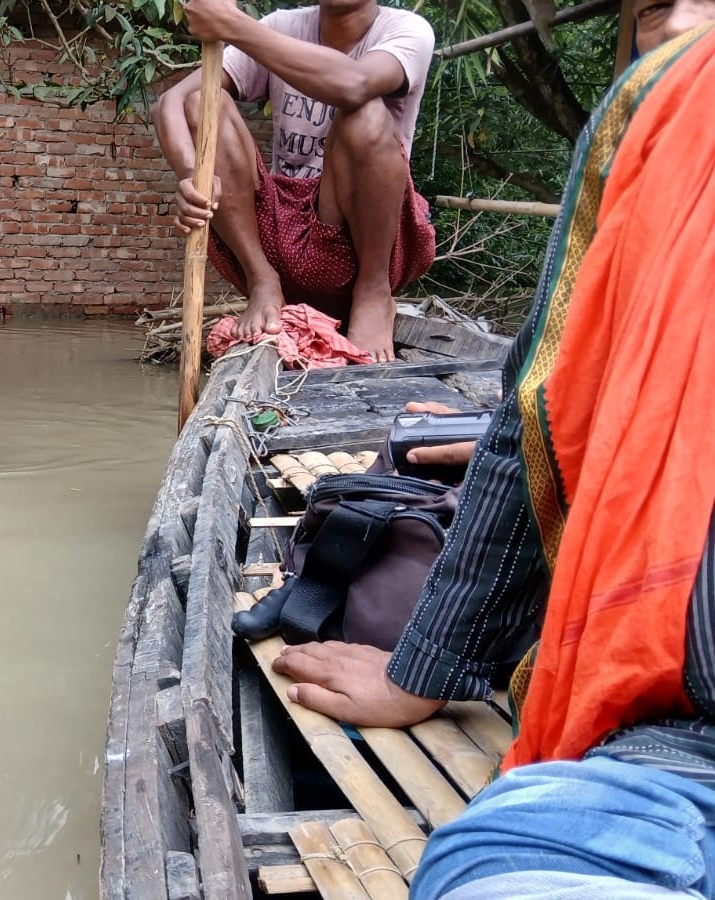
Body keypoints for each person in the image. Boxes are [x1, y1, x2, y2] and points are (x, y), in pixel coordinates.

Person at [272, 11, 715, 895]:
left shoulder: (666, 99)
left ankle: (372, 306)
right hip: (686, 750)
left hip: (682, 745)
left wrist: (424, 669)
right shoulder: (675, 103)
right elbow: (563, 405)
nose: (670, 24)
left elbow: (543, 412)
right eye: (646, 12)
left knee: (486, 866)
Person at [153, 0, 437, 362]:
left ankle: (373, 294)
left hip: (364, 243)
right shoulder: (281, 26)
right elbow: (172, 102)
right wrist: (193, 174)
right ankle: (262, 281)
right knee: (202, 100)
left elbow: (354, 84)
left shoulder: (408, 30)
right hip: (279, 243)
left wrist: (233, 25)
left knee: (364, 112)